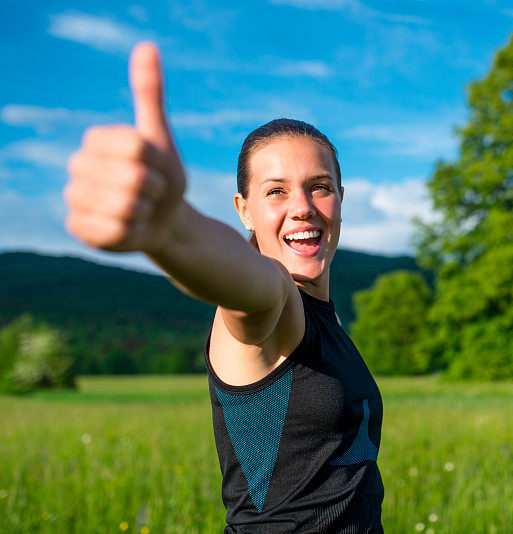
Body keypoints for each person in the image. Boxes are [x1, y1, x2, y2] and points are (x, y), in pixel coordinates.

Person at [64, 42, 384, 533]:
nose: (302, 206)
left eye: (319, 186)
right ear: (243, 211)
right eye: (275, 191)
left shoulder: (327, 318)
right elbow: (247, 283)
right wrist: (171, 230)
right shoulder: (271, 303)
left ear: (341, 198)